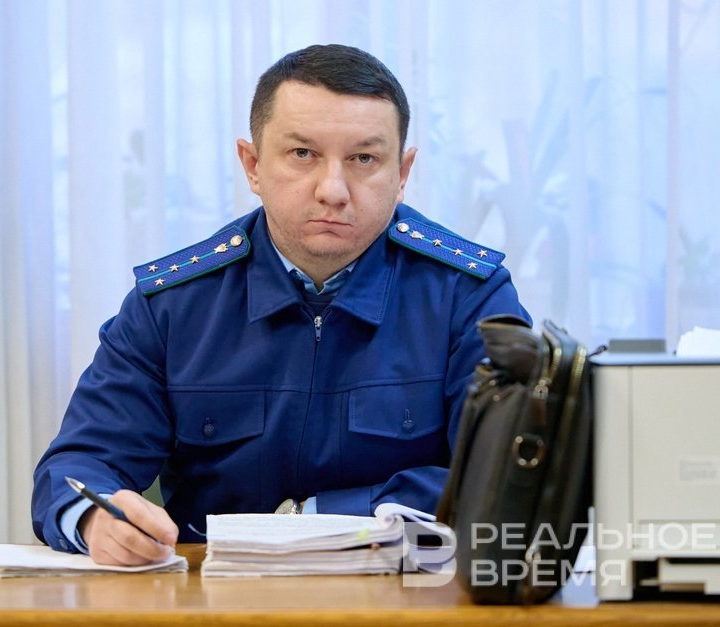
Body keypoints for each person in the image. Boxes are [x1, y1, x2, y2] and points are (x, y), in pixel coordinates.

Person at [32, 44, 530, 566]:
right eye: (302, 154)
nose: (333, 190)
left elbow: (503, 475)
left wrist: (312, 518)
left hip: (402, 586)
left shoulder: (469, 295)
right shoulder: (174, 304)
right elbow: (78, 464)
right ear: (252, 165)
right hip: (213, 594)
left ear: (402, 173)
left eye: (364, 159)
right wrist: (94, 519)